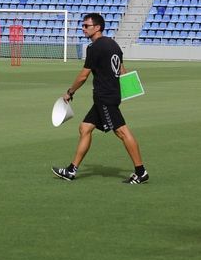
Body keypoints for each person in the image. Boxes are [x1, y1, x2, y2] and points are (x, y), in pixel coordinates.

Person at [52, 13, 149, 184]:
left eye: (86, 26)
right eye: (83, 26)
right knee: (85, 128)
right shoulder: (113, 45)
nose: (83, 29)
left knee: (122, 132)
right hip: (109, 96)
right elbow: (122, 69)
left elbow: (83, 76)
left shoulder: (94, 47)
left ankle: (140, 171)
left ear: (97, 27)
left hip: (105, 98)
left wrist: (70, 92)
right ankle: (71, 170)